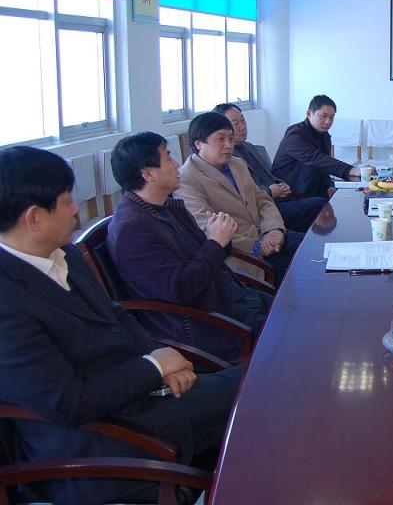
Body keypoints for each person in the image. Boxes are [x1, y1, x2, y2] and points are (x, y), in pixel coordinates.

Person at [0, 146, 242, 504]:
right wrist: (155, 367)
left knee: (260, 383)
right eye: (67, 202)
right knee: (257, 395)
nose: (76, 210)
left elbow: (116, 315)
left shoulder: (63, 253)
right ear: (33, 218)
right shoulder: (7, 301)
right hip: (101, 441)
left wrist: (161, 357)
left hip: (141, 396)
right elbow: (67, 402)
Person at [108, 132, 271, 362]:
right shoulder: (133, 229)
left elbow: (207, 257)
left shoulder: (167, 207)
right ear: (148, 173)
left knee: (302, 313)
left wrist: (220, 238)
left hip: (231, 298)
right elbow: (180, 289)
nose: (176, 164)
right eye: (168, 157)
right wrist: (215, 242)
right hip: (210, 322)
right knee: (297, 339)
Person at [176, 112, 304, 281]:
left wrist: (274, 229)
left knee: (315, 248)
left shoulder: (237, 164)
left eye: (231, 138)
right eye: (221, 139)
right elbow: (205, 228)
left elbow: (263, 200)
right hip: (241, 254)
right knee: (300, 274)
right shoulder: (187, 179)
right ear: (199, 143)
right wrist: (256, 247)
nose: (229, 145)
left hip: (267, 236)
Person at [213, 103, 327, 232]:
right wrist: (270, 191)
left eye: (243, 120)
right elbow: (243, 195)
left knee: (318, 196)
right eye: (235, 123)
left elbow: (268, 175)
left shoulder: (250, 147)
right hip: (264, 207)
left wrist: (280, 184)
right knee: (319, 204)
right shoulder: (227, 158)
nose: (242, 127)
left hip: (281, 198)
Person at [272, 95, 360, 199]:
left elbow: (324, 167)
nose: (328, 121)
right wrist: (350, 170)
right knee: (326, 202)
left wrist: (329, 186)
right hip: (289, 195)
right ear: (309, 114)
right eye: (324, 116)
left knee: (348, 196)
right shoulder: (295, 134)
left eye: (331, 117)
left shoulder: (324, 136)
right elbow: (316, 159)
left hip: (310, 190)